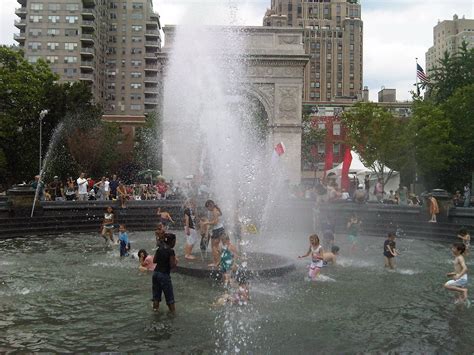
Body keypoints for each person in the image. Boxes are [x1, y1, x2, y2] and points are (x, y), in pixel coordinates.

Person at [152, 233, 177, 313]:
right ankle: (172, 314)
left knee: (156, 297)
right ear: (172, 241)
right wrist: (176, 261)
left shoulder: (159, 248)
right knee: (170, 298)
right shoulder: (171, 251)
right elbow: (172, 265)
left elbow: (154, 260)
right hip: (164, 275)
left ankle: (155, 311)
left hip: (155, 273)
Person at [204, 200, 225, 267]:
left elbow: (215, 222)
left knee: (213, 247)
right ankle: (219, 260)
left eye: (207, 208)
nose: (208, 209)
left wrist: (207, 223)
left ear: (210, 206)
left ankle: (216, 263)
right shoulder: (217, 209)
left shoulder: (214, 211)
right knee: (217, 246)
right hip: (220, 229)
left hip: (217, 230)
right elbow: (217, 221)